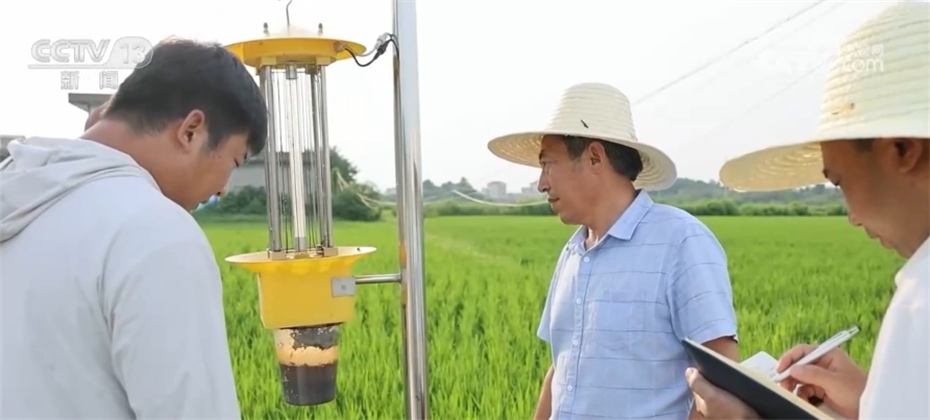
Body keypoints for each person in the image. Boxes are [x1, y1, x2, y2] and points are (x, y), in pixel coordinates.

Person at [0, 37, 267, 418]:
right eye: (235, 162)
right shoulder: (156, 231)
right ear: (191, 130)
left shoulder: (18, 195)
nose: (224, 188)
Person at [686, 2, 929, 419]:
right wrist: (871, 399)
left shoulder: (921, 302)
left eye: (839, 181)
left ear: (902, 150)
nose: (851, 216)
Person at [487, 82, 740, 420]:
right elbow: (561, 368)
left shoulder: (680, 240)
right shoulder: (572, 252)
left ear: (595, 157)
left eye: (548, 164)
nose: (542, 183)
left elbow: (722, 375)